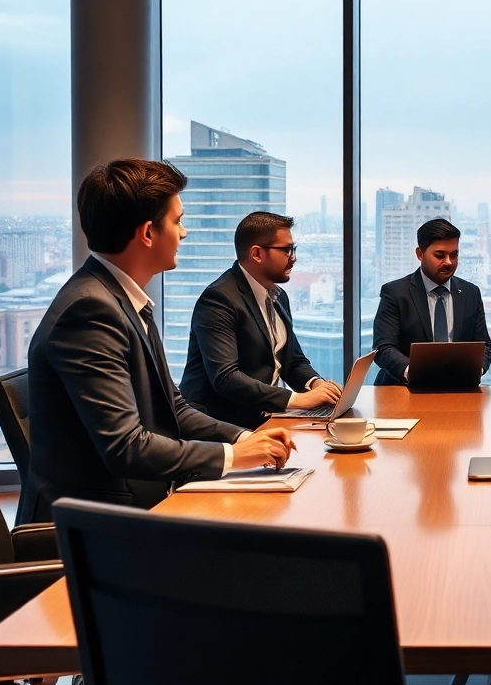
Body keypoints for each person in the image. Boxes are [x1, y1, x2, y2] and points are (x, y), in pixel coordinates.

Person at [19, 159, 296, 524]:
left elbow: (173, 409)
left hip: (135, 506)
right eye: (178, 221)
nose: (184, 233)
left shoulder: (124, 301)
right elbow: (125, 447)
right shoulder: (89, 311)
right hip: (94, 528)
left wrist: (245, 439)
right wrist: (232, 456)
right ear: (148, 233)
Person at [179, 212, 343, 429]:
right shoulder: (219, 299)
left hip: (264, 419)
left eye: (293, 249)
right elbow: (226, 378)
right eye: (286, 250)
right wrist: (294, 400)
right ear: (256, 253)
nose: (293, 257)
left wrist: (316, 385)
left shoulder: (278, 296)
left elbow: (292, 361)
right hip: (219, 426)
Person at [372, 218, 491, 385]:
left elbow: (485, 345)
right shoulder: (395, 293)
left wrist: (475, 370)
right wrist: (413, 373)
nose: (449, 262)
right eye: (440, 255)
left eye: (454, 254)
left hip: (459, 389)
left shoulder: (470, 293)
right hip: (403, 389)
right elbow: (383, 348)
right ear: (420, 254)